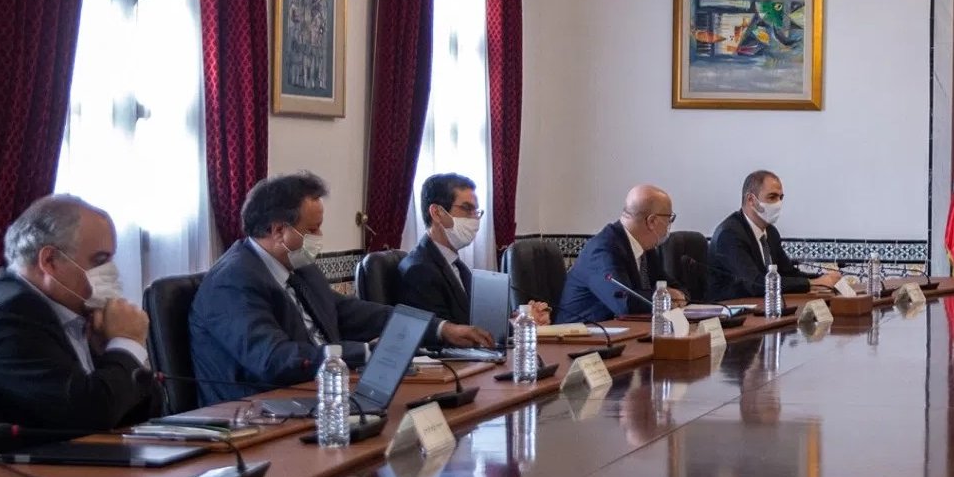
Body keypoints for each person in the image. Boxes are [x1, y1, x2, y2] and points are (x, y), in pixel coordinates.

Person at [191, 171, 492, 405]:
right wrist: (363, 352)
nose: (320, 236)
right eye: (312, 229)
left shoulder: (300, 268)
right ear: (277, 230)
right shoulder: (232, 283)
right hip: (259, 412)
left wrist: (439, 329)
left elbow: (348, 311)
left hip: (323, 393)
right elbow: (274, 360)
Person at [0, 195, 159, 463]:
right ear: (49, 261)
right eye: (99, 261)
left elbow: (143, 410)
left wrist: (108, 349)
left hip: (64, 473)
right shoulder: (7, 322)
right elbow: (89, 415)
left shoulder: (69, 313)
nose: (111, 273)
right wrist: (126, 341)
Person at [399, 172, 550, 327]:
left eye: (475, 212)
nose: (474, 219)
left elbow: (477, 319)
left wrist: (521, 316)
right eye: (466, 209)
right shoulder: (419, 270)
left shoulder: (456, 265)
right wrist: (516, 325)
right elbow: (450, 334)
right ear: (437, 213)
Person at [557, 184, 688, 323]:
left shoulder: (647, 249)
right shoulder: (603, 249)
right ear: (652, 221)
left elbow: (675, 289)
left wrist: (678, 295)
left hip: (624, 332)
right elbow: (624, 303)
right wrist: (667, 297)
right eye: (669, 219)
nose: (669, 224)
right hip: (580, 338)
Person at [706, 170, 840, 302]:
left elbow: (788, 273)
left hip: (763, 305)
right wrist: (813, 283)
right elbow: (755, 283)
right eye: (772, 197)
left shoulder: (771, 232)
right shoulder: (729, 235)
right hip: (729, 311)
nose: (778, 204)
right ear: (751, 200)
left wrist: (824, 279)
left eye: (781, 198)